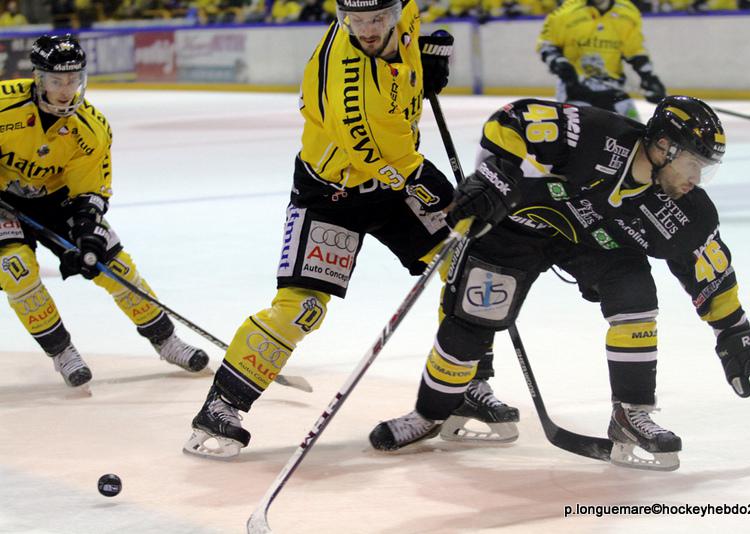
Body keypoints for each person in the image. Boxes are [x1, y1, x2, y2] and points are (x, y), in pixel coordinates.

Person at [183, 0, 516, 459]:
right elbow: (398, 165)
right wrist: (459, 201)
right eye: (356, 21)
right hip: (333, 192)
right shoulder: (350, 92)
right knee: (302, 308)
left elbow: (403, 53)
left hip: (391, 181)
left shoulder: (404, 15)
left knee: (467, 267)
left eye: (378, 18)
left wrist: (420, 59)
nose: (368, 29)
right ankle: (222, 405)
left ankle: (465, 384)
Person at [369, 96, 750, 471]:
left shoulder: (682, 210)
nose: (696, 178)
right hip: (517, 228)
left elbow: (708, 270)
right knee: (472, 322)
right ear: (663, 146)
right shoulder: (597, 134)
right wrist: (497, 173)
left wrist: (736, 333)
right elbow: (515, 118)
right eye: (692, 163)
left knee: (634, 291)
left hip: (591, 242)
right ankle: (432, 412)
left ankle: (631, 414)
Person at [0, 34, 209, 390]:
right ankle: (62, 351)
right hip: (3, 201)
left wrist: (87, 232)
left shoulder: (91, 127)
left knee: (114, 265)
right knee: (17, 271)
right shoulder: (4, 104)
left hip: (56, 200)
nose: (66, 90)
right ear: (38, 78)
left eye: (73, 80)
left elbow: (90, 190)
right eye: (56, 81)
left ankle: (166, 340)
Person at [536, 0, 666, 121]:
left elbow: (635, 49)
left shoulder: (627, 13)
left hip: (612, 89)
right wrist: (559, 64)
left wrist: (647, 76)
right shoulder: (566, 12)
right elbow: (547, 44)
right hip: (575, 89)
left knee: (635, 134)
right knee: (577, 139)